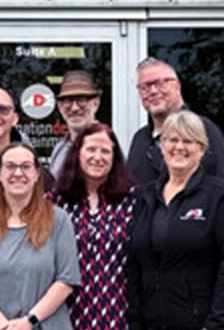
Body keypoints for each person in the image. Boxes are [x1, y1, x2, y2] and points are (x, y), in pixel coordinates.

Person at [127, 110, 224, 330]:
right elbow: (134, 265)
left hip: (199, 322)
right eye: (172, 140)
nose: (179, 147)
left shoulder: (218, 195)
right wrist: (134, 320)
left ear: (202, 149)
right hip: (150, 322)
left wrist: (217, 323)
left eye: (188, 140)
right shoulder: (144, 197)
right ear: (162, 147)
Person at [0, 143, 82, 330]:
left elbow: (66, 280)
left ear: (37, 174)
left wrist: (29, 321)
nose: (17, 173)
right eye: (10, 166)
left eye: (25, 166)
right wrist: (4, 327)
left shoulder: (58, 220)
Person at [52, 123, 134, 329]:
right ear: (77, 154)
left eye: (105, 151)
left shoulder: (132, 201)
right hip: (67, 312)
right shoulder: (54, 203)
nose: (98, 157)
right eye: (91, 149)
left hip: (120, 311)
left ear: (114, 158)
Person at [126, 58, 224, 186]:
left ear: (177, 86)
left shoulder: (203, 130)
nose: (153, 91)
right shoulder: (140, 138)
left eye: (161, 83)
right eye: (145, 87)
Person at [47, 70, 103, 178]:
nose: (74, 108)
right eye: (68, 101)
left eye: (81, 100)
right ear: (60, 106)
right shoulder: (59, 148)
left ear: (96, 103)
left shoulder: (107, 146)